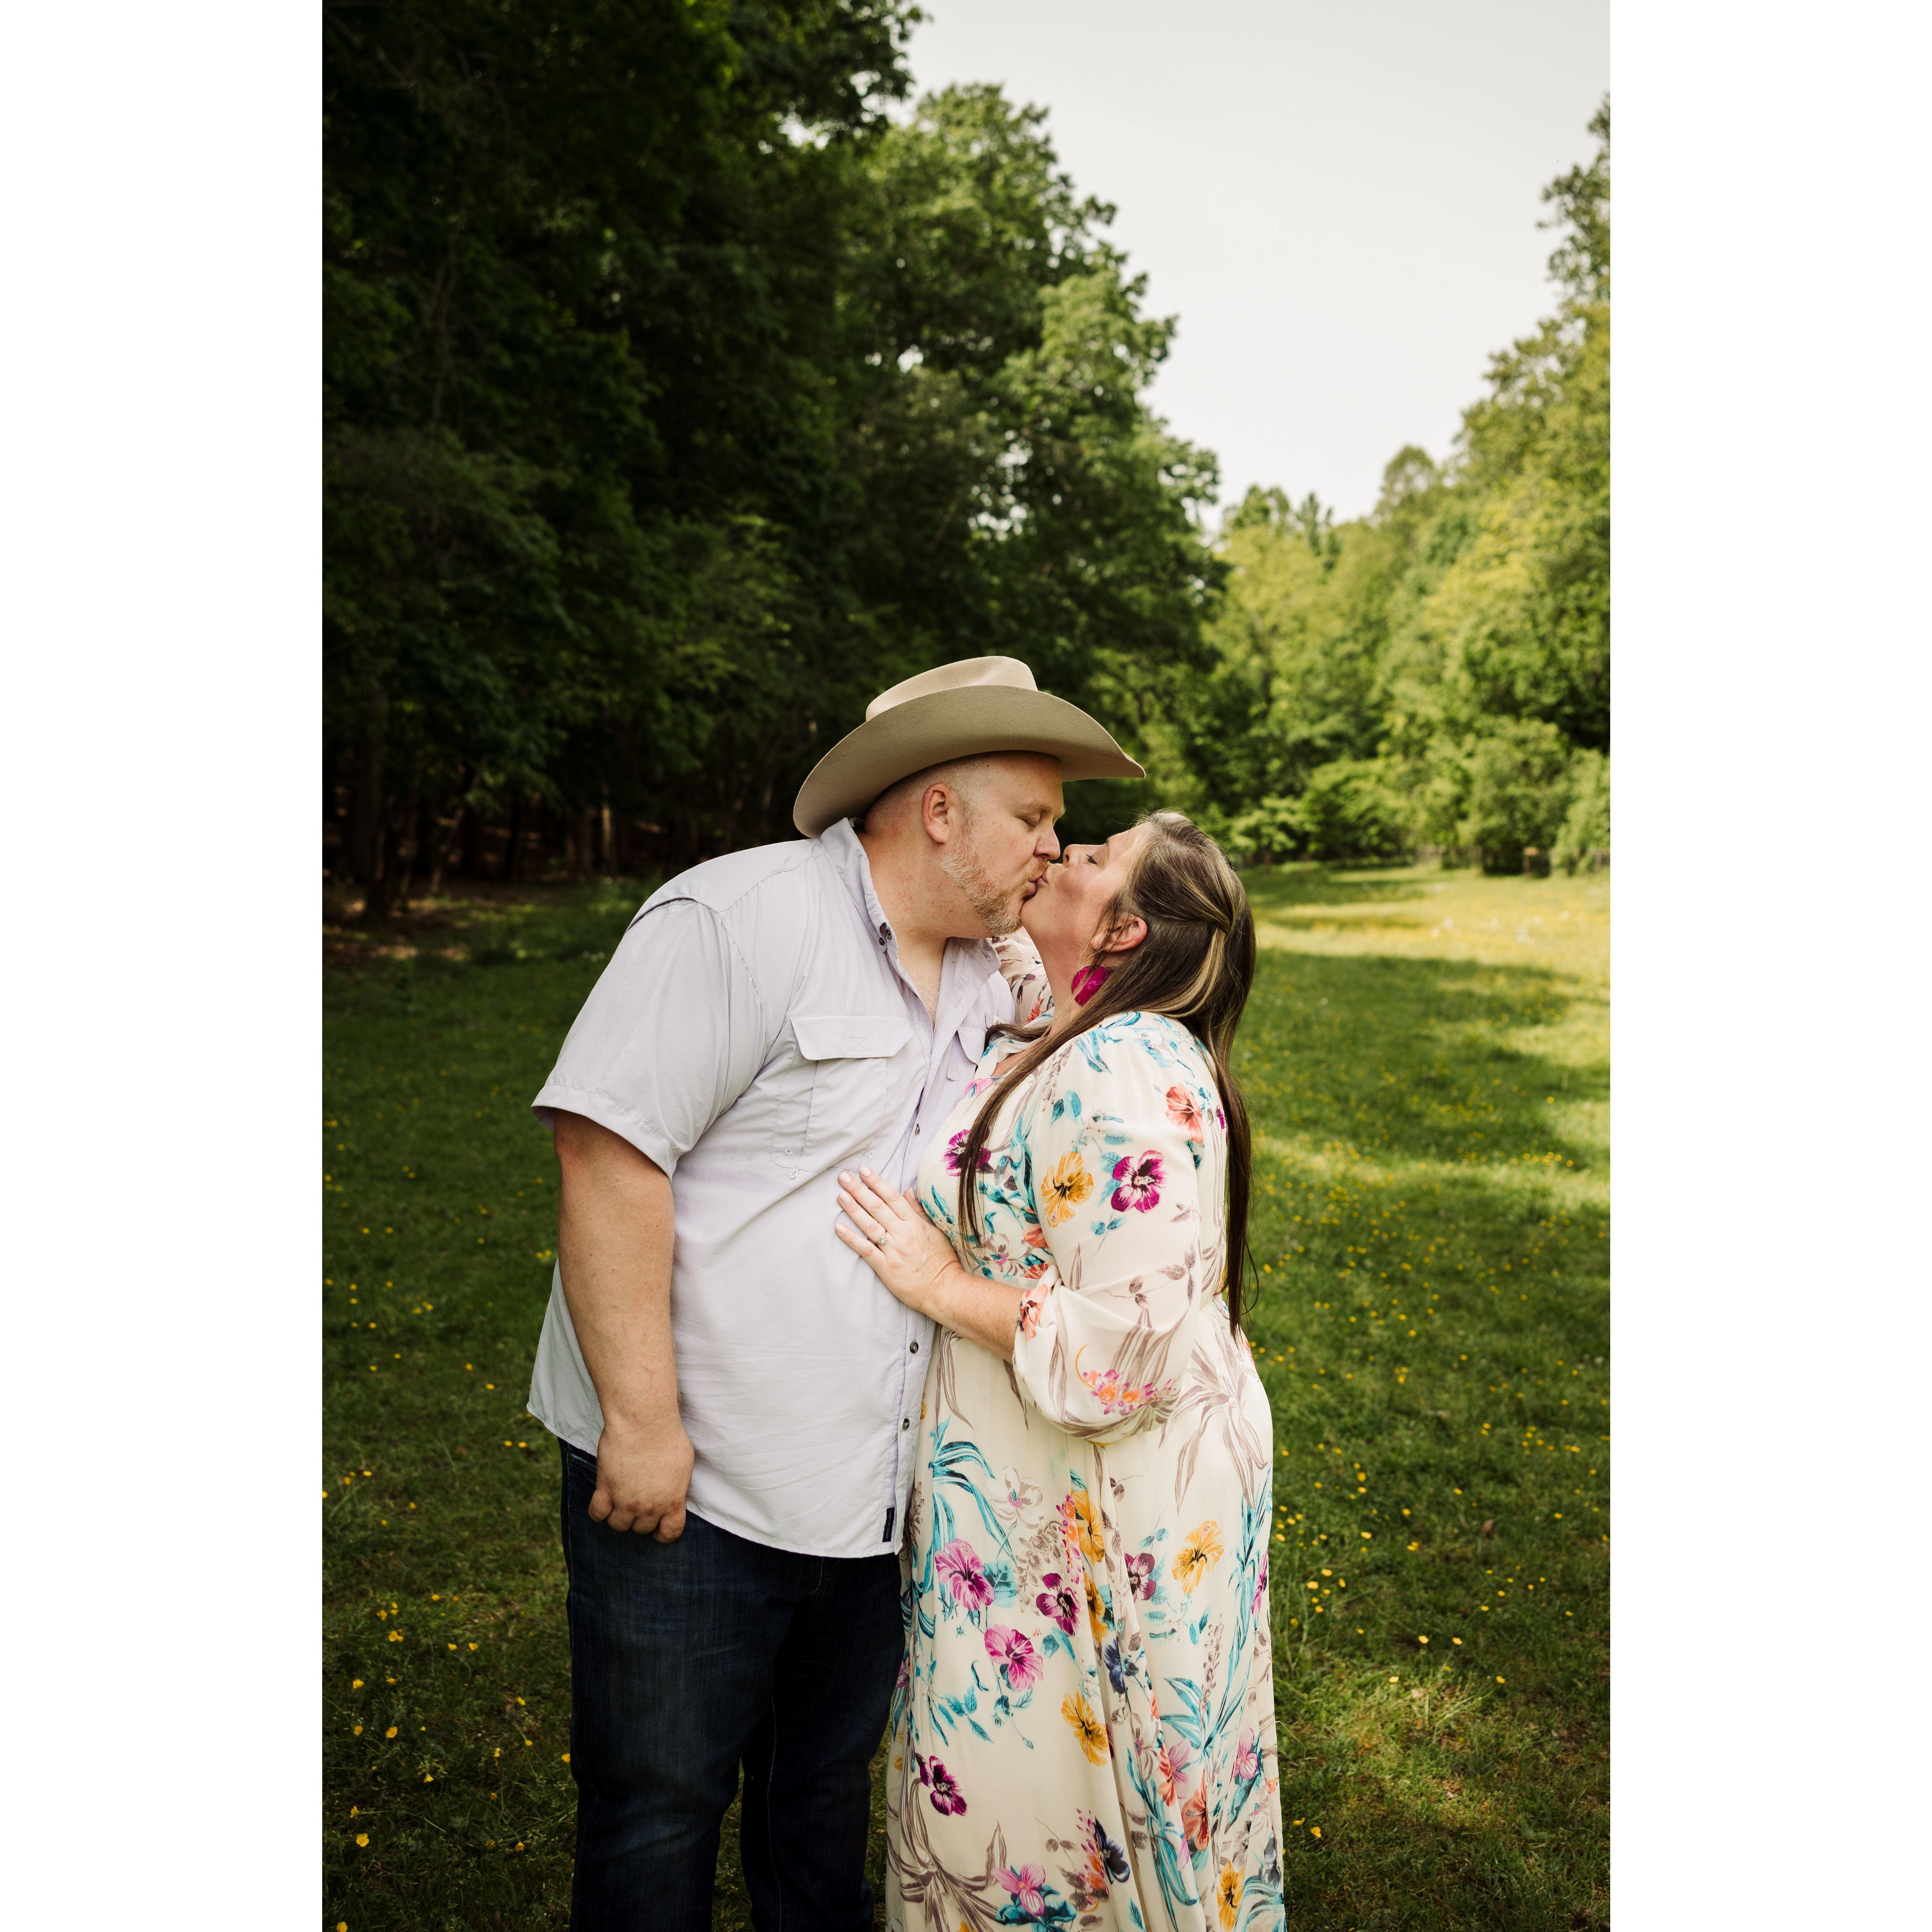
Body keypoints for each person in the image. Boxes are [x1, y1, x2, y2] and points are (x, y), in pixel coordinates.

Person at [525, 655, 1143, 1932]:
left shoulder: (993, 973)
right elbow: (608, 1150)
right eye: (1033, 819)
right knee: (657, 1811)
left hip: (875, 1499)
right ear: (937, 812)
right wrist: (642, 1424)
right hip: (695, 1490)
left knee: (819, 1806)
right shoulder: (737, 917)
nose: (1053, 845)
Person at [834, 811, 1285, 1932]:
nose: (1060, 852)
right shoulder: (1078, 1028)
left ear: (1125, 928)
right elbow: (1017, 956)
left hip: (1092, 1511)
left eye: (1088, 857)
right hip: (1049, 1499)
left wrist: (938, 1287)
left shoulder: (1129, 1063)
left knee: (1069, 1814)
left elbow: (1119, 1354)